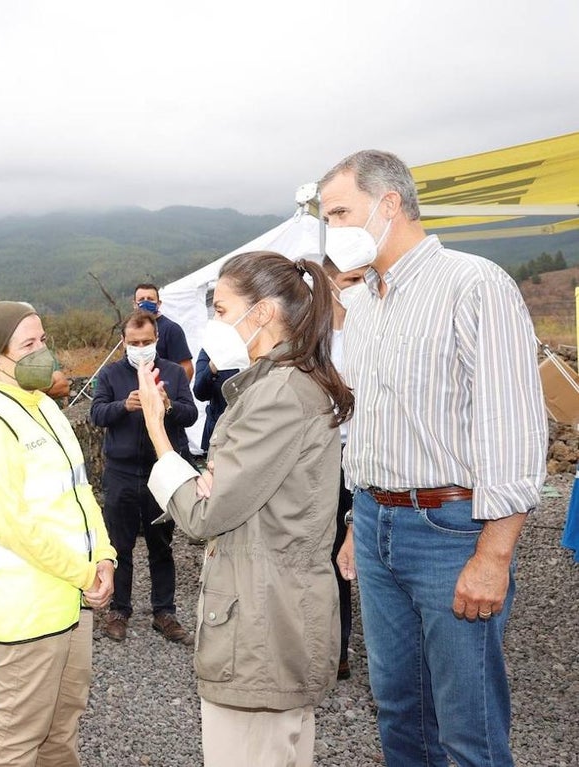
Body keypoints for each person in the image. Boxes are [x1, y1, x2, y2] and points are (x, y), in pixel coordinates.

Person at [322, 150, 546, 767]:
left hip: (450, 530)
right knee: (398, 711)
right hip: (374, 522)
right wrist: (354, 522)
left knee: (468, 728)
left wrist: (494, 555)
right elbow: (367, 420)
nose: (331, 229)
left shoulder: (474, 284)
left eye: (340, 213)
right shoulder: (363, 302)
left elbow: (514, 432)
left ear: (389, 204)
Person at [137, 251, 352, 767]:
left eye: (221, 308)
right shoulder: (284, 383)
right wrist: (207, 483)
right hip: (273, 617)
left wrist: (160, 438)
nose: (213, 323)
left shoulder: (277, 394)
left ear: (261, 315)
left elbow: (206, 515)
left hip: (261, 627)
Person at [0, 300, 117, 767]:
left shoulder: (42, 405)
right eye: (29, 344)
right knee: (16, 736)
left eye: (43, 339)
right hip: (25, 607)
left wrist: (104, 556)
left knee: (62, 726)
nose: (43, 351)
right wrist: (84, 574)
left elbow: (79, 491)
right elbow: (9, 523)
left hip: (68, 597)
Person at [89, 310, 196, 644]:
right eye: (134, 343)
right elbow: (96, 414)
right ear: (123, 342)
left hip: (161, 471)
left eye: (146, 342)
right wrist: (125, 405)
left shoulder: (175, 373)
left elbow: (191, 415)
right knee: (119, 544)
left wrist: (169, 406)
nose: (140, 347)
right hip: (121, 471)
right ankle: (119, 610)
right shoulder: (110, 374)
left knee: (161, 544)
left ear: (157, 339)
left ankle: (164, 611)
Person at [320, 255, 367, 681]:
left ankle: (343, 645)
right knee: (324, 547)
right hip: (322, 455)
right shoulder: (313, 338)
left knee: (347, 553)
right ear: (330, 283)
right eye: (351, 279)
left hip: (363, 453)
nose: (360, 285)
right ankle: (328, 644)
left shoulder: (373, 329)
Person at [133, 283, 193, 380]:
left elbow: (186, 368)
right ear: (135, 304)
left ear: (159, 303)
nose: (146, 302)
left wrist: (176, 391)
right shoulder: (131, 330)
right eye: (141, 299)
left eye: (150, 299)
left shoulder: (171, 329)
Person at [192, 349, 237, 457]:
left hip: (251, 428)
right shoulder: (210, 349)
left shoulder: (258, 344)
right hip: (219, 431)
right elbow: (200, 393)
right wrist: (211, 368)